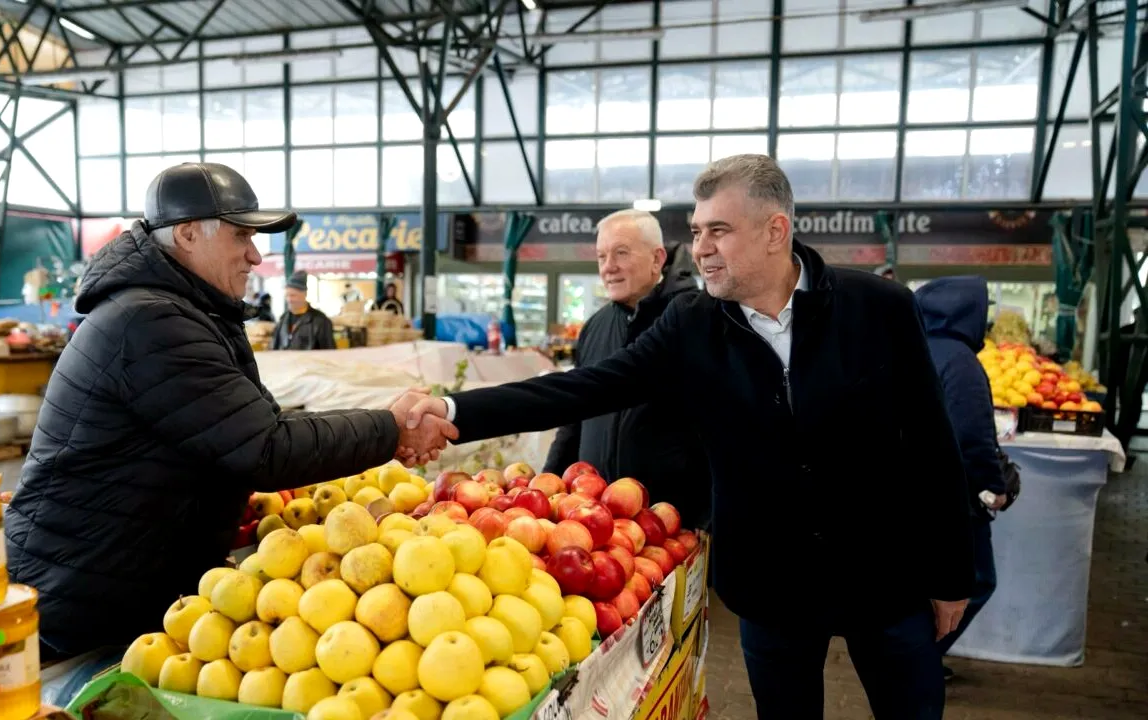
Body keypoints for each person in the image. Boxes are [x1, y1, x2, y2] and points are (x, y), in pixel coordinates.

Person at [399, 154, 973, 719]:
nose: (700, 249)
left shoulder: (879, 308)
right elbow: (582, 389)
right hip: (771, 587)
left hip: (885, 576)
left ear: (775, 231)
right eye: (697, 232)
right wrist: (451, 410)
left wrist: (951, 574)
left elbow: (932, 444)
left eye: (719, 231)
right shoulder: (693, 324)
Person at [4, 162, 455, 659]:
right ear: (187, 233)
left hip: (113, 583)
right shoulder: (151, 322)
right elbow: (265, 448)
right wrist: (390, 430)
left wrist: (386, 424)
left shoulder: (188, 313)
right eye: (241, 235)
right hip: (79, 600)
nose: (256, 255)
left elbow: (262, 426)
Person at [543, 209, 710, 529]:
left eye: (621, 253)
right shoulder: (595, 327)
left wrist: (708, 519)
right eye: (601, 256)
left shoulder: (695, 321)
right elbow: (573, 418)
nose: (609, 267)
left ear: (657, 258)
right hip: (595, 523)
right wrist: (546, 485)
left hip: (673, 521)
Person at [914, 276, 1006, 680]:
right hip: (956, 498)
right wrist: (992, 487)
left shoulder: (911, 347)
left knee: (921, 586)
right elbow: (972, 434)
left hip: (912, 493)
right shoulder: (961, 362)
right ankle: (920, 659)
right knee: (978, 580)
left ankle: (911, 658)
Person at [271, 271, 336, 351]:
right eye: (287, 295)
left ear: (305, 294)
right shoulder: (283, 319)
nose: (289, 300)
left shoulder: (321, 321)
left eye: (293, 295)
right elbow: (274, 348)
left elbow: (329, 352)